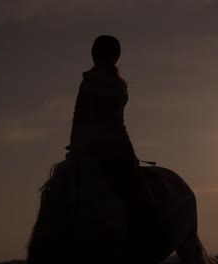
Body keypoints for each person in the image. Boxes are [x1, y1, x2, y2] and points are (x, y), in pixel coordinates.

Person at [66, 35, 158, 250]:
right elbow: (112, 122)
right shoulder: (116, 84)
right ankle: (144, 241)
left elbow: (78, 116)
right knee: (142, 197)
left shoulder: (90, 80)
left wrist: (75, 145)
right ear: (115, 57)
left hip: (89, 146)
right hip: (115, 146)